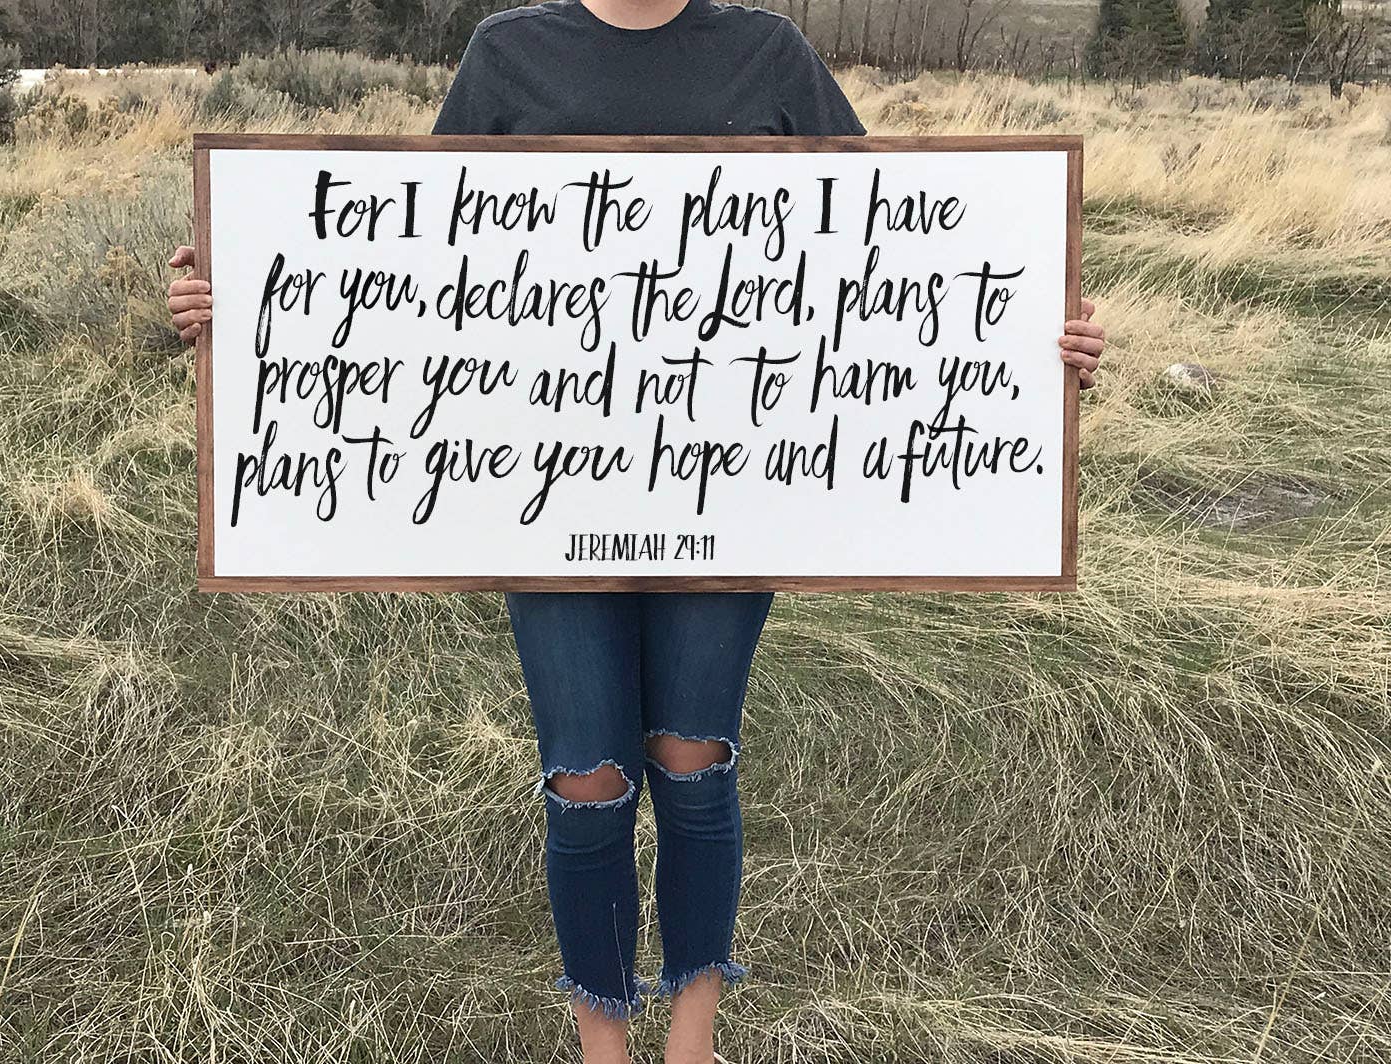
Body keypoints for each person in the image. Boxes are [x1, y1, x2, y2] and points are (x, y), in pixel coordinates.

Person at [167, 2, 1106, 1061]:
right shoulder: (507, 55)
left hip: (731, 493)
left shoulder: (770, 55)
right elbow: (405, 263)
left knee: (692, 762)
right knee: (586, 781)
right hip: (548, 500)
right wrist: (237, 290)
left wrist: (1041, 338)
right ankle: (603, 1048)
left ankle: (692, 1042)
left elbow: (897, 244)